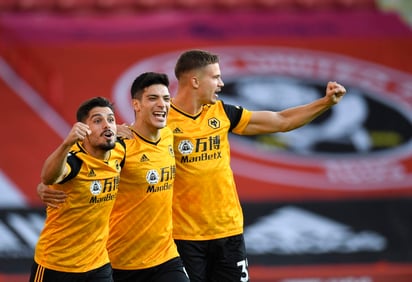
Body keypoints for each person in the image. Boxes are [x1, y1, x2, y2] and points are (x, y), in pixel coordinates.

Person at [166, 49, 347, 282]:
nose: (221, 83)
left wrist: (325, 103)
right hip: (183, 236)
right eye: (215, 77)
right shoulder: (162, 120)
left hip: (228, 232)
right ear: (194, 80)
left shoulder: (223, 113)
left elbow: (282, 121)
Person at [37, 72, 189, 282]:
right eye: (153, 98)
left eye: (165, 98)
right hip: (122, 259)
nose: (162, 104)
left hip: (165, 255)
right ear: (136, 105)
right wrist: (45, 185)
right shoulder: (118, 147)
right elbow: (78, 164)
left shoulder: (168, 136)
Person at [30, 97, 125, 282]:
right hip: (56, 265)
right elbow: (48, 177)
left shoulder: (120, 151)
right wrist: (66, 143)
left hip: (98, 264)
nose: (107, 125)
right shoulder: (75, 160)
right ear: (84, 129)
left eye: (111, 120)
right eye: (98, 121)